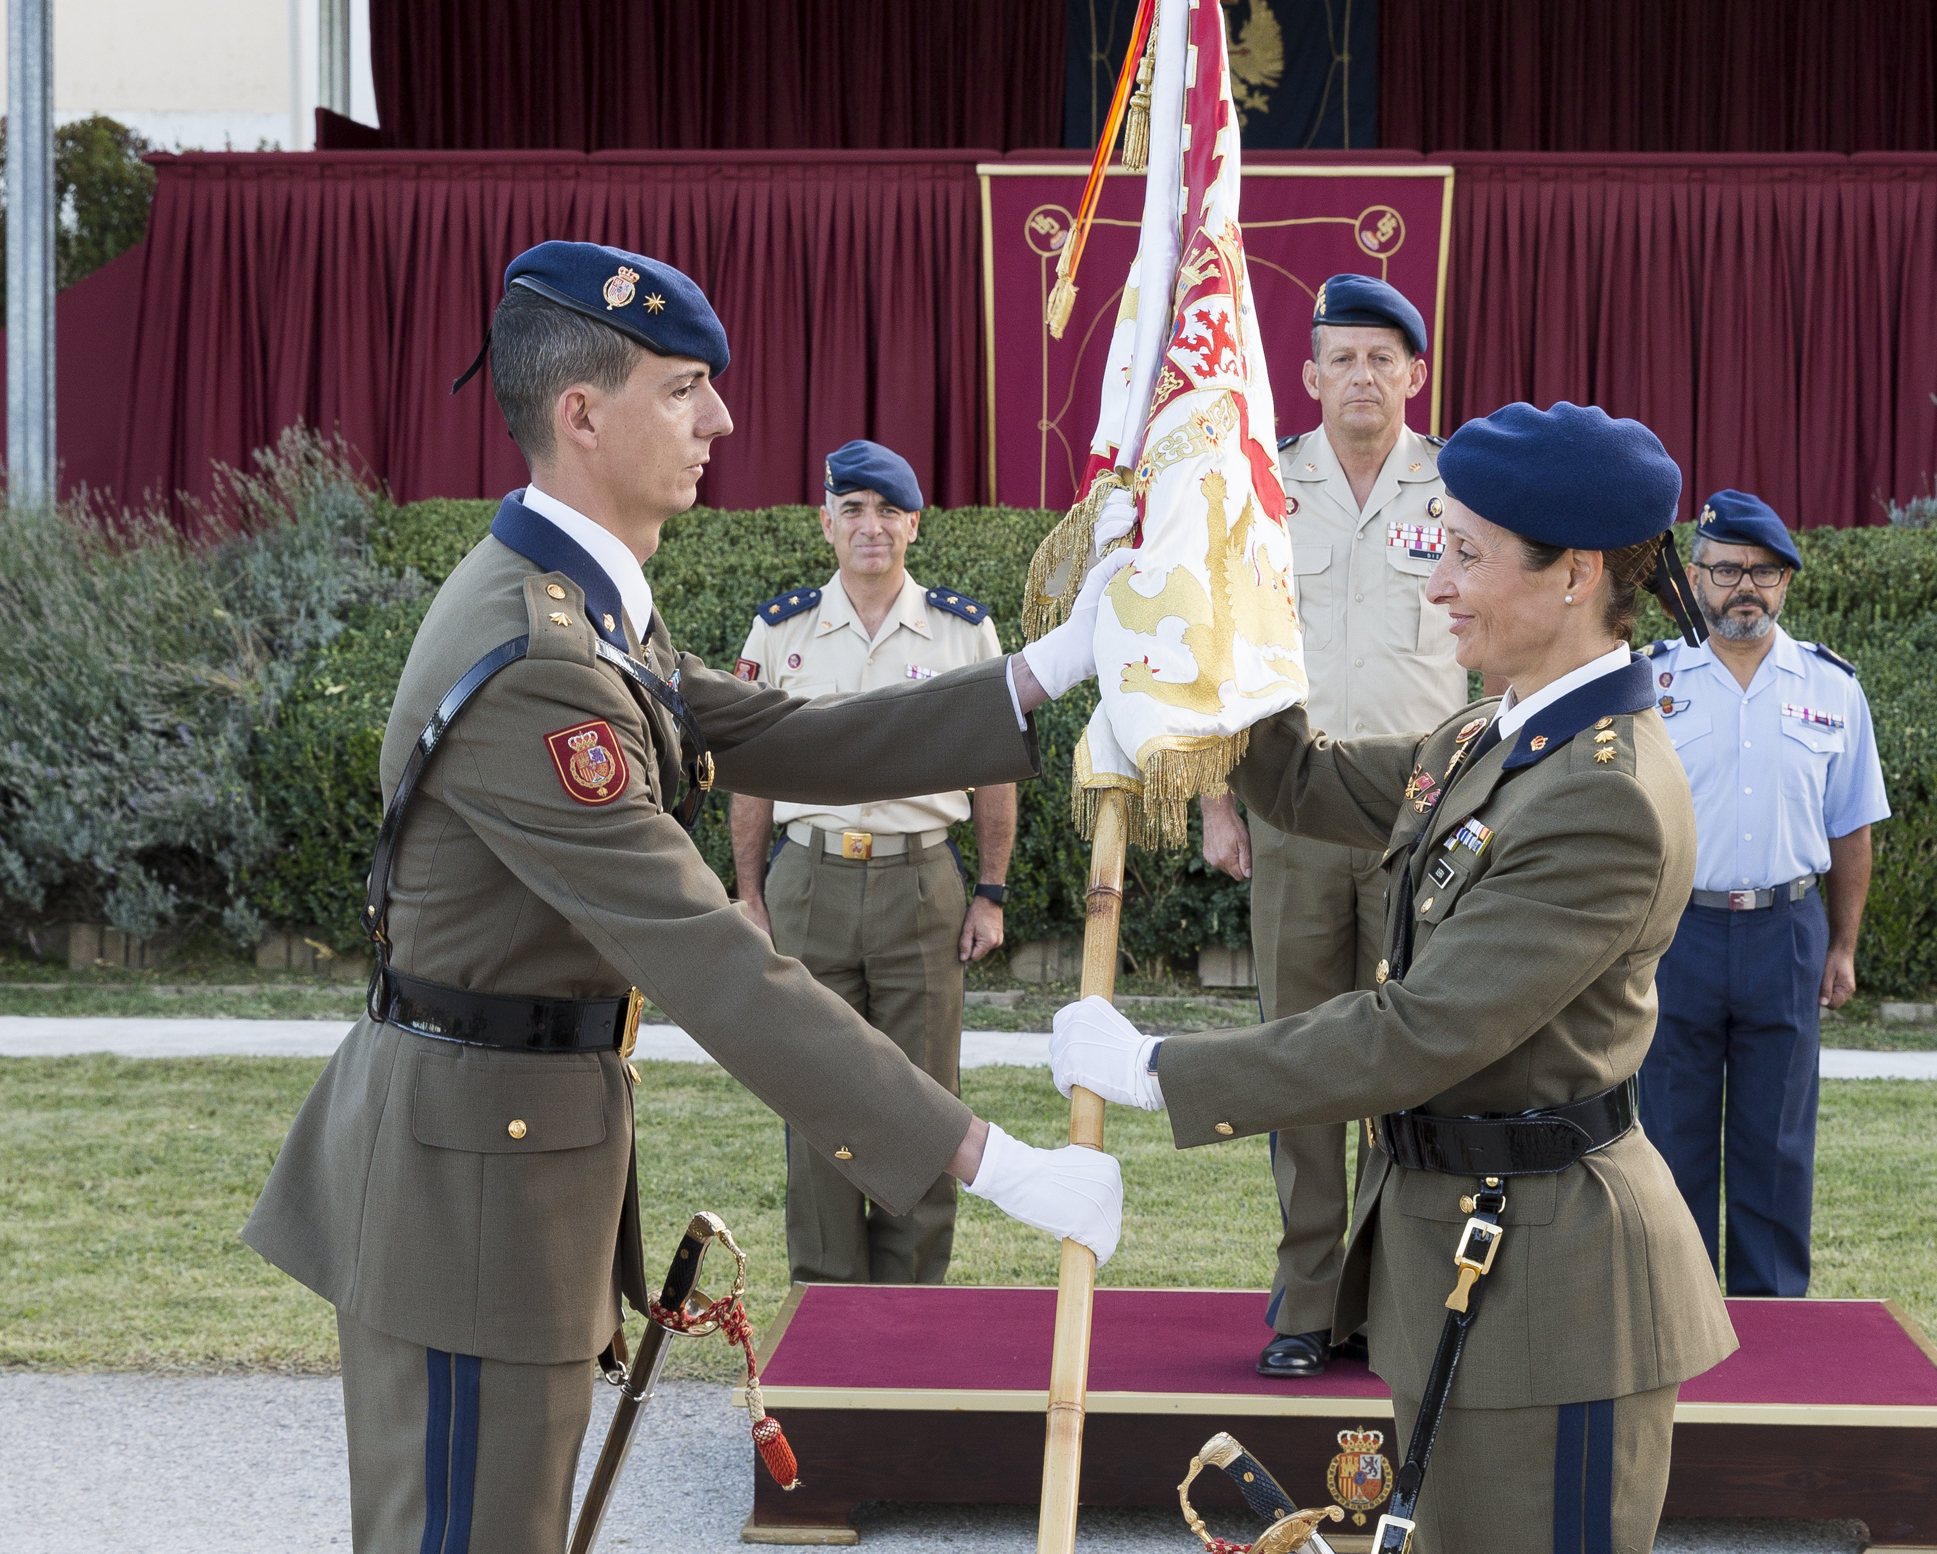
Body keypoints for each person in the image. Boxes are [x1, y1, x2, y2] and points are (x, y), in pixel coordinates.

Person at [241, 241, 1129, 1554]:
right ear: (582, 415)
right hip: (466, 1201)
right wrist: (990, 1160)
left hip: (507, 1167)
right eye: (683, 389)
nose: (721, 421)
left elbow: (792, 736)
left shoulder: (593, 607)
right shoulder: (542, 653)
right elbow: (715, 957)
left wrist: (1055, 665)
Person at [1052, 401, 1737, 1553]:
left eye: (1464, 554)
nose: (1438, 585)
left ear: (1572, 576)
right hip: (1463, 1259)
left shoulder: (1601, 795)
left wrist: (1159, 1069)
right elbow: (1306, 783)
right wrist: (1169, 652)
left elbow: (1413, 1032)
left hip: (1554, 1292)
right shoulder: (1496, 736)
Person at [1195, 273, 1474, 1379]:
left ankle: (1397, 1296)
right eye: (1341, 359)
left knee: (1416, 1063)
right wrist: (1221, 800)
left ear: (1416, 374)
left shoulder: (1463, 490)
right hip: (1298, 813)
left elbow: (1490, 654)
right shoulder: (1262, 489)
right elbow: (1221, 654)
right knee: (1302, 1057)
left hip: (1422, 812)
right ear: (1307, 378)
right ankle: (1309, 1302)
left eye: (1383, 358)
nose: (1363, 376)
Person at [729, 438, 1014, 1286]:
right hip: (806, 881)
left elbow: (996, 770)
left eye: (888, 511)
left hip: (921, 883)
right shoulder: (782, 630)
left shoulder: (964, 631)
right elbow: (748, 769)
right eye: (852, 509)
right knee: (816, 1095)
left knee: (923, 1101)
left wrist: (991, 891)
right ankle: (826, 1320)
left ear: (914, 526)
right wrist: (746, 892)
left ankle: (913, 1317)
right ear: (827, 523)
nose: (871, 527)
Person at [1636, 490, 1890, 1297]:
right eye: (1726, 569)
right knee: (1671, 1134)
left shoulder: (1832, 688)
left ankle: (1772, 1320)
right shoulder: (1649, 685)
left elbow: (1852, 828)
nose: (1744, 586)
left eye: (1763, 572)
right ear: (1698, 578)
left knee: (1776, 1141)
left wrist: (1842, 947)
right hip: (1678, 934)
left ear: (1786, 582)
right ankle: (1676, 1313)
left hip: (1786, 930)